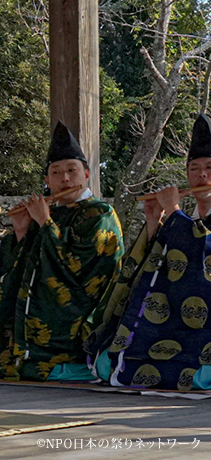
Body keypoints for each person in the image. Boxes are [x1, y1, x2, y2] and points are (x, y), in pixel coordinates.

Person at [0, 122, 124, 381]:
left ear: (86, 174)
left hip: (78, 303)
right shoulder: (49, 211)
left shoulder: (100, 213)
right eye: (56, 172)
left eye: (71, 171)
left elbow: (80, 267)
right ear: (47, 180)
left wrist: (44, 223)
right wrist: (20, 231)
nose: (64, 179)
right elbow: (18, 264)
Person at [86, 114, 211, 390]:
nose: (201, 175)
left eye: (209, 168)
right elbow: (159, 266)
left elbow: (204, 257)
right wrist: (156, 223)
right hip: (172, 316)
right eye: (194, 168)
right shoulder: (186, 218)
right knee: (113, 361)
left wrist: (176, 214)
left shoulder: (184, 219)